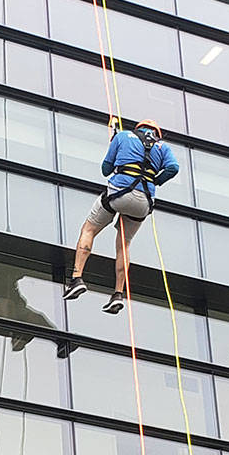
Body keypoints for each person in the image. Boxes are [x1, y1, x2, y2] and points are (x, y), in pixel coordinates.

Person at [64, 118, 180, 314]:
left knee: (89, 229)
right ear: (156, 132)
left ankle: (77, 278)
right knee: (124, 244)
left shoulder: (123, 136)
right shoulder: (163, 147)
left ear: (139, 128)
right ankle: (118, 293)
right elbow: (173, 168)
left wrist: (115, 145)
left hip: (119, 192)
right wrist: (156, 180)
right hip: (144, 201)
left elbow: (105, 169)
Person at [0, 265, 77, 359]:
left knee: (37, 318)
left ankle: (61, 342)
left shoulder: (9, 285)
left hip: (6, 317)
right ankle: (18, 333)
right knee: (5, 304)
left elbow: (19, 303)